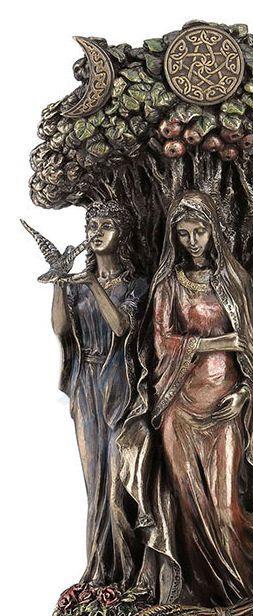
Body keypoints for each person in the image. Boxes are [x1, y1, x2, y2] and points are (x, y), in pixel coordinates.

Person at [120, 191, 253, 606]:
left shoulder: (234, 281)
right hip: (180, 407)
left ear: (213, 230)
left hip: (225, 404)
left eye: (199, 231)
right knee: (190, 506)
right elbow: (162, 343)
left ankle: (242, 594)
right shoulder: (168, 285)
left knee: (223, 508)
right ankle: (196, 598)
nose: (192, 241)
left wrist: (244, 393)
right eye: (183, 233)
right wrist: (219, 342)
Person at [52, 200, 148, 587]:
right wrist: (60, 281)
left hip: (119, 385)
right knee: (94, 480)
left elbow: (122, 326)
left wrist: (92, 283)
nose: (96, 232)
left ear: (121, 234)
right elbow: (61, 329)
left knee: (117, 482)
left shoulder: (136, 285)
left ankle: (129, 569)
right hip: (85, 385)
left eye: (105, 225)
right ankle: (100, 569)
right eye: (92, 225)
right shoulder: (78, 286)